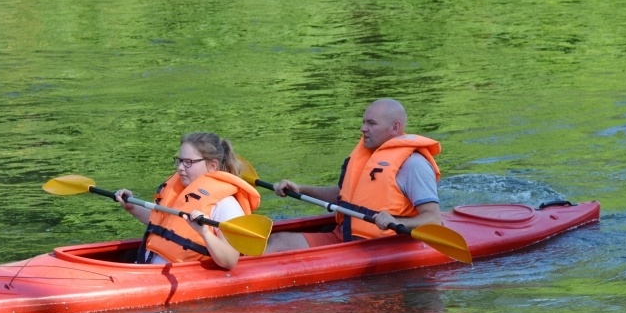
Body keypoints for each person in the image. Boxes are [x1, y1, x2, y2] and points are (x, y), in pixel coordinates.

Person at [265, 98, 441, 252]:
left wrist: (395, 221)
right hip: (343, 237)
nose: (363, 128)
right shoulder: (366, 155)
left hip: (378, 247)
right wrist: (301, 189)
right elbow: (344, 196)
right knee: (277, 241)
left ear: (395, 127)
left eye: (371, 123)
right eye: (364, 122)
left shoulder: (414, 164)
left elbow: (433, 219)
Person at [115, 132, 260, 269]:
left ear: (212, 165)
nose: (180, 168)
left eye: (188, 162)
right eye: (179, 161)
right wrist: (131, 207)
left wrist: (205, 233)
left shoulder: (226, 205)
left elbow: (229, 260)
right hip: (146, 268)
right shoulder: (182, 191)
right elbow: (162, 223)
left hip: (182, 275)